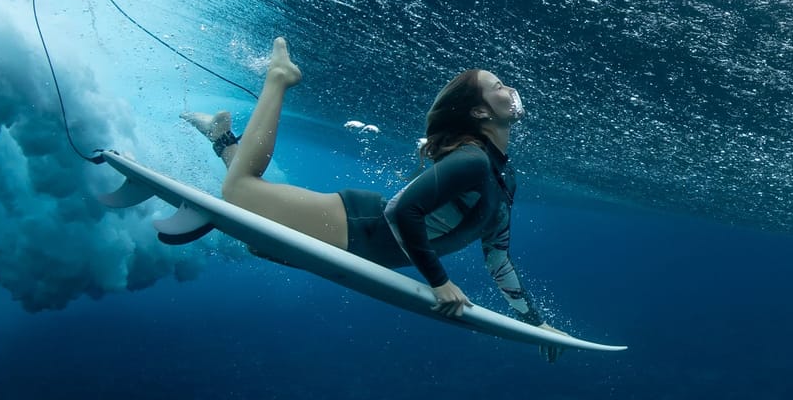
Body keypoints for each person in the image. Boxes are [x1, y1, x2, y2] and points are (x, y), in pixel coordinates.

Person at [182, 39, 566, 359]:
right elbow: (403, 212)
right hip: (356, 224)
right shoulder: (473, 161)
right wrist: (439, 282)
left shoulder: (503, 175)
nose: (509, 89)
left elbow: (497, 257)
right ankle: (279, 78)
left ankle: (222, 137)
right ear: (481, 111)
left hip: (361, 243)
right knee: (238, 192)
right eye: (498, 86)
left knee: (256, 242)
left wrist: (535, 323)